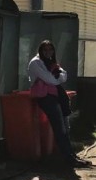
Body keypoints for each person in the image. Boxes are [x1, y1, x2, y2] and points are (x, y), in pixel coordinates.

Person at [27, 40, 90, 168]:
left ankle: (71, 155)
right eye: (45, 50)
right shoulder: (35, 63)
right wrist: (56, 78)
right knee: (60, 128)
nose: (48, 52)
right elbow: (52, 79)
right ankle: (68, 158)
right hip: (46, 97)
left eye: (50, 50)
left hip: (56, 96)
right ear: (40, 50)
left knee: (65, 127)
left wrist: (56, 77)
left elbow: (64, 76)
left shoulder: (52, 62)